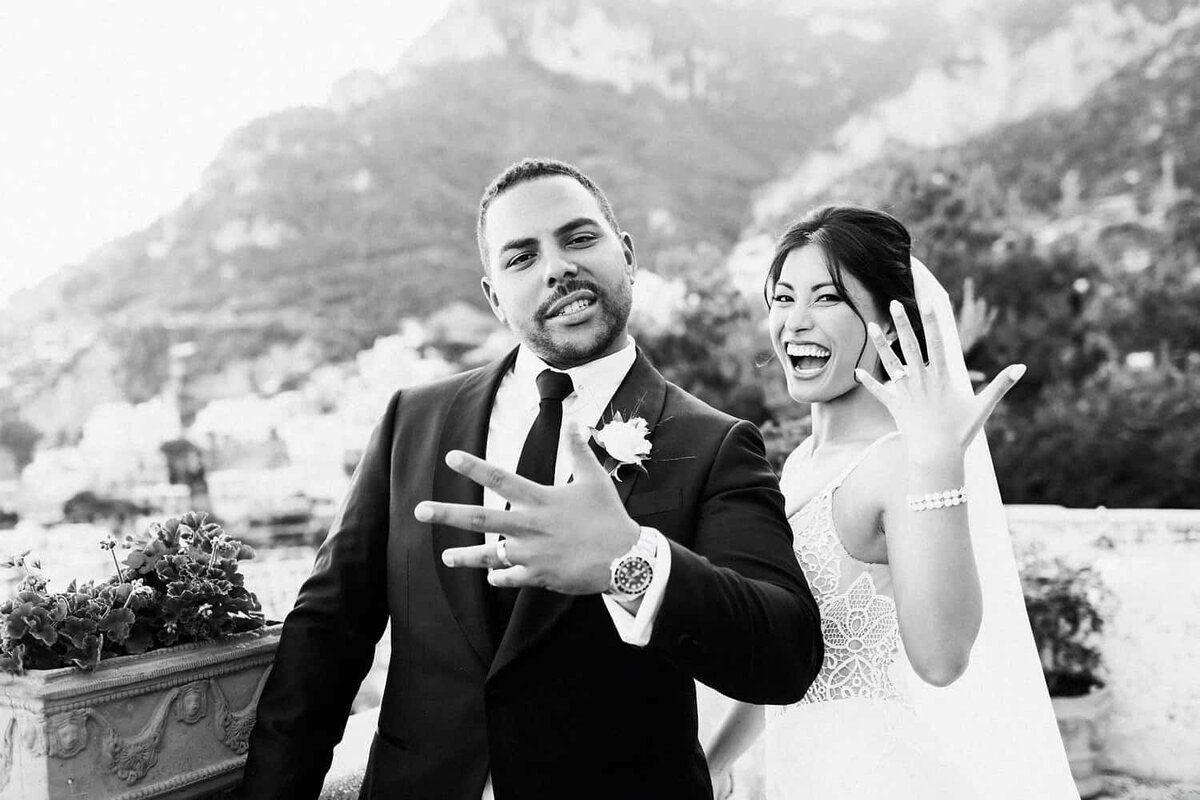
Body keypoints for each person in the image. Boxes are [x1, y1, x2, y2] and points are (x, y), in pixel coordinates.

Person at [239, 158, 823, 800]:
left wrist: (630, 562)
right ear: (494, 296)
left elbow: (785, 652)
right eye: (521, 257)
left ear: (625, 255)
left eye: (578, 238)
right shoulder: (414, 420)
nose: (556, 268)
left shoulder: (714, 443)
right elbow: (328, 630)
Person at [705, 206, 1078, 798]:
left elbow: (942, 658)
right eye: (782, 298)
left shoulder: (900, 463)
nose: (795, 322)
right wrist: (707, 763)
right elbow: (784, 658)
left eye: (826, 299)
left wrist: (936, 464)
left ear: (888, 321)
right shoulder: (800, 463)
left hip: (873, 775)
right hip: (801, 774)